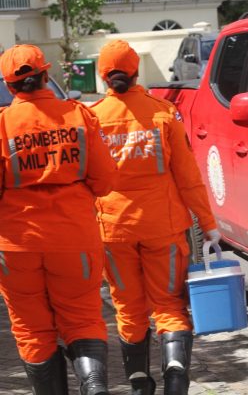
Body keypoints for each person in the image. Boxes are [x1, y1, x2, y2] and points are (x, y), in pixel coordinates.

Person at [91, 40, 220, 395]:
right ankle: (176, 381)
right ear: (136, 73)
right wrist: (208, 224)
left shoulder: (91, 118)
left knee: (128, 308)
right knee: (168, 306)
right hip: (163, 228)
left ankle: (138, 384)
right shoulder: (163, 113)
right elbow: (188, 176)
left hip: (113, 231)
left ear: (103, 76)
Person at [0, 44, 117, 395]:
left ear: (9, 87)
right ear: (47, 76)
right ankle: (94, 386)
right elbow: (106, 181)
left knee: (32, 329)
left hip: (17, 246)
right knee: (82, 319)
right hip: (74, 240)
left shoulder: (3, 125)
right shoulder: (79, 116)